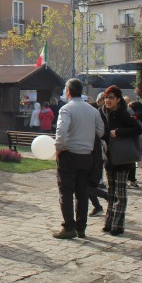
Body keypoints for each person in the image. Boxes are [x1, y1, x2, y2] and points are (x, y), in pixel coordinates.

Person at [52, 78, 105, 239]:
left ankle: (69, 227)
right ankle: (81, 227)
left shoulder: (66, 109)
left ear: (68, 91)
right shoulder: (93, 110)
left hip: (69, 154)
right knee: (82, 192)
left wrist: (59, 148)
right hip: (86, 156)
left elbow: (61, 131)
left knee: (66, 192)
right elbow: (101, 131)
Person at [100, 85, 142, 236]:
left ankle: (118, 225)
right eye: (106, 97)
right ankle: (109, 221)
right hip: (109, 157)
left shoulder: (124, 113)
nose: (108, 100)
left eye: (111, 98)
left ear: (118, 99)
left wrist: (118, 132)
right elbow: (101, 131)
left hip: (123, 158)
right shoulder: (102, 112)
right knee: (111, 192)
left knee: (121, 193)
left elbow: (137, 129)